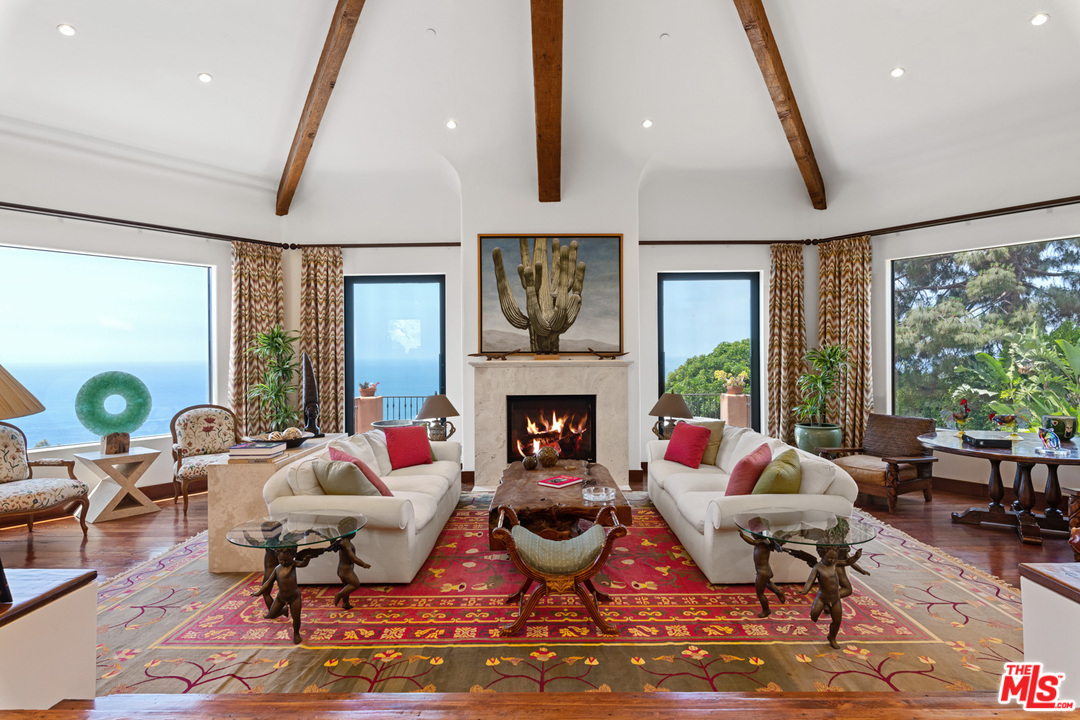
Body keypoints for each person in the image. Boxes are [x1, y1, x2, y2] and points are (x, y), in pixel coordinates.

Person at [802, 547, 864, 649]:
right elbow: (810, 581)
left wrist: (856, 556)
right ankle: (822, 608)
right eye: (830, 558)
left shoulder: (835, 563)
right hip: (822, 598)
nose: (833, 560)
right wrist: (805, 590)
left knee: (837, 621)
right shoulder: (817, 567)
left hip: (835, 599)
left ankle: (832, 637)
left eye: (835, 558)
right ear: (822, 556)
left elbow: (848, 561)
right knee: (814, 617)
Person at [253, 546, 310, 645]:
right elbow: (268, 583)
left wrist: (306, 560)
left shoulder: (293, 565)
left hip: (294, 597)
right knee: (272, 614)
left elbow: (302, 564)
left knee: (296, 618)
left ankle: (296, 633)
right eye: (281, 560)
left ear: (292, 557)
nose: (283, 562)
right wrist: (259, 591)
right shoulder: (277, 569)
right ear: (277, 558)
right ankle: (283, 610)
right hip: (281, 597)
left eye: (286, 560)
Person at [739, 531, 785, 617]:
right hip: (766, 570)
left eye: (753, 534)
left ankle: (766, 610)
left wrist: (742, 536)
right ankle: (778, 592)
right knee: (767, 582)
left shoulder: (761, 542)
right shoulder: (766, 542)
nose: (752, 535)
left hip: (762, 572)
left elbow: (752, 542)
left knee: (760, 592)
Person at [334, 534, 372, 610]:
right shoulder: (346, 543)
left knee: (347, 586)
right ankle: (339, 594)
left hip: (341, 569)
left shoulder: (343, 541)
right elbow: (353, 558)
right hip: (346, 570)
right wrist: (363, 564)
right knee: (355, 584)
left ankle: (345, 603)